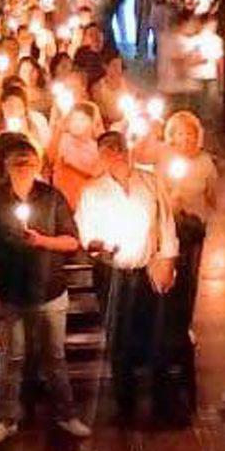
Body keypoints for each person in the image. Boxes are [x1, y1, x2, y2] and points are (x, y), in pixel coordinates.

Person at [0, 135, 89, 443]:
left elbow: (72, 241)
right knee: (12, 357)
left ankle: (67, 415)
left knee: (54, 356)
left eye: (28, 163)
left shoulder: (52, 198)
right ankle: (8, 419)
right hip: (9, 293)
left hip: (49, 291)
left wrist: (41, 241)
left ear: (38, 165)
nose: (23, 168)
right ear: (6, 166)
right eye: (17, 163)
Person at [76, 132, 178, 417]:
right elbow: (86, 232)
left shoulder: (150, 181)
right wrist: (98, 246)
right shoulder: (93, 191)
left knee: (155, 334)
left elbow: (166, 224)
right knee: (119, 337)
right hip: (114, 274)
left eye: (119, 148)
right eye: (108, 151)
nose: (116, 154)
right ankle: (126, 403)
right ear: (102, 156)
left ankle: (161, 403)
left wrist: (166, 261)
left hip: (146, 271)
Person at [155, 112, 219, 370]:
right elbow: (158, 195)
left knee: (190, 276)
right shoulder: (164, 161)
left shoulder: (205, 163)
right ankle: (168, 326)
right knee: (172, 276)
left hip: (194, 227)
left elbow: (212, 195)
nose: (185, 138)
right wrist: (174, 196)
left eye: (190, 133)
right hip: (171, 227)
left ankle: (185, 325)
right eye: (180, 133)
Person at [48, 101, 104, 209]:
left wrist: (72, 166)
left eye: (82, 120)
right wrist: (58, 130)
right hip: (61, 201)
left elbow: (96, 174)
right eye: (73, 119)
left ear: (92, 123)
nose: (77, 123)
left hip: (87, 202)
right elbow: (49, 159)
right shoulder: (62, 139)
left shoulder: (98, 149)